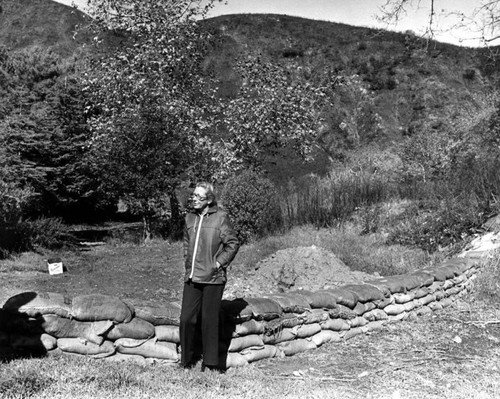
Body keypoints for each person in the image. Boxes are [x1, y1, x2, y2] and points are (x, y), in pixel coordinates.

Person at [180, 182, 240, 372]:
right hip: (192, 277)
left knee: (209, 319)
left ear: (209, 200)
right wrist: (187, 261)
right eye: (194, 196)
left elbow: (233, 243)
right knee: (186, 319)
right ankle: (187, 360)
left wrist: (218, 263)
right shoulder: (189, 218)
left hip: (213, 278)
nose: (194, 199)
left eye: (199, 197)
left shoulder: (220, 217)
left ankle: (212, 364)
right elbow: (186, 243)